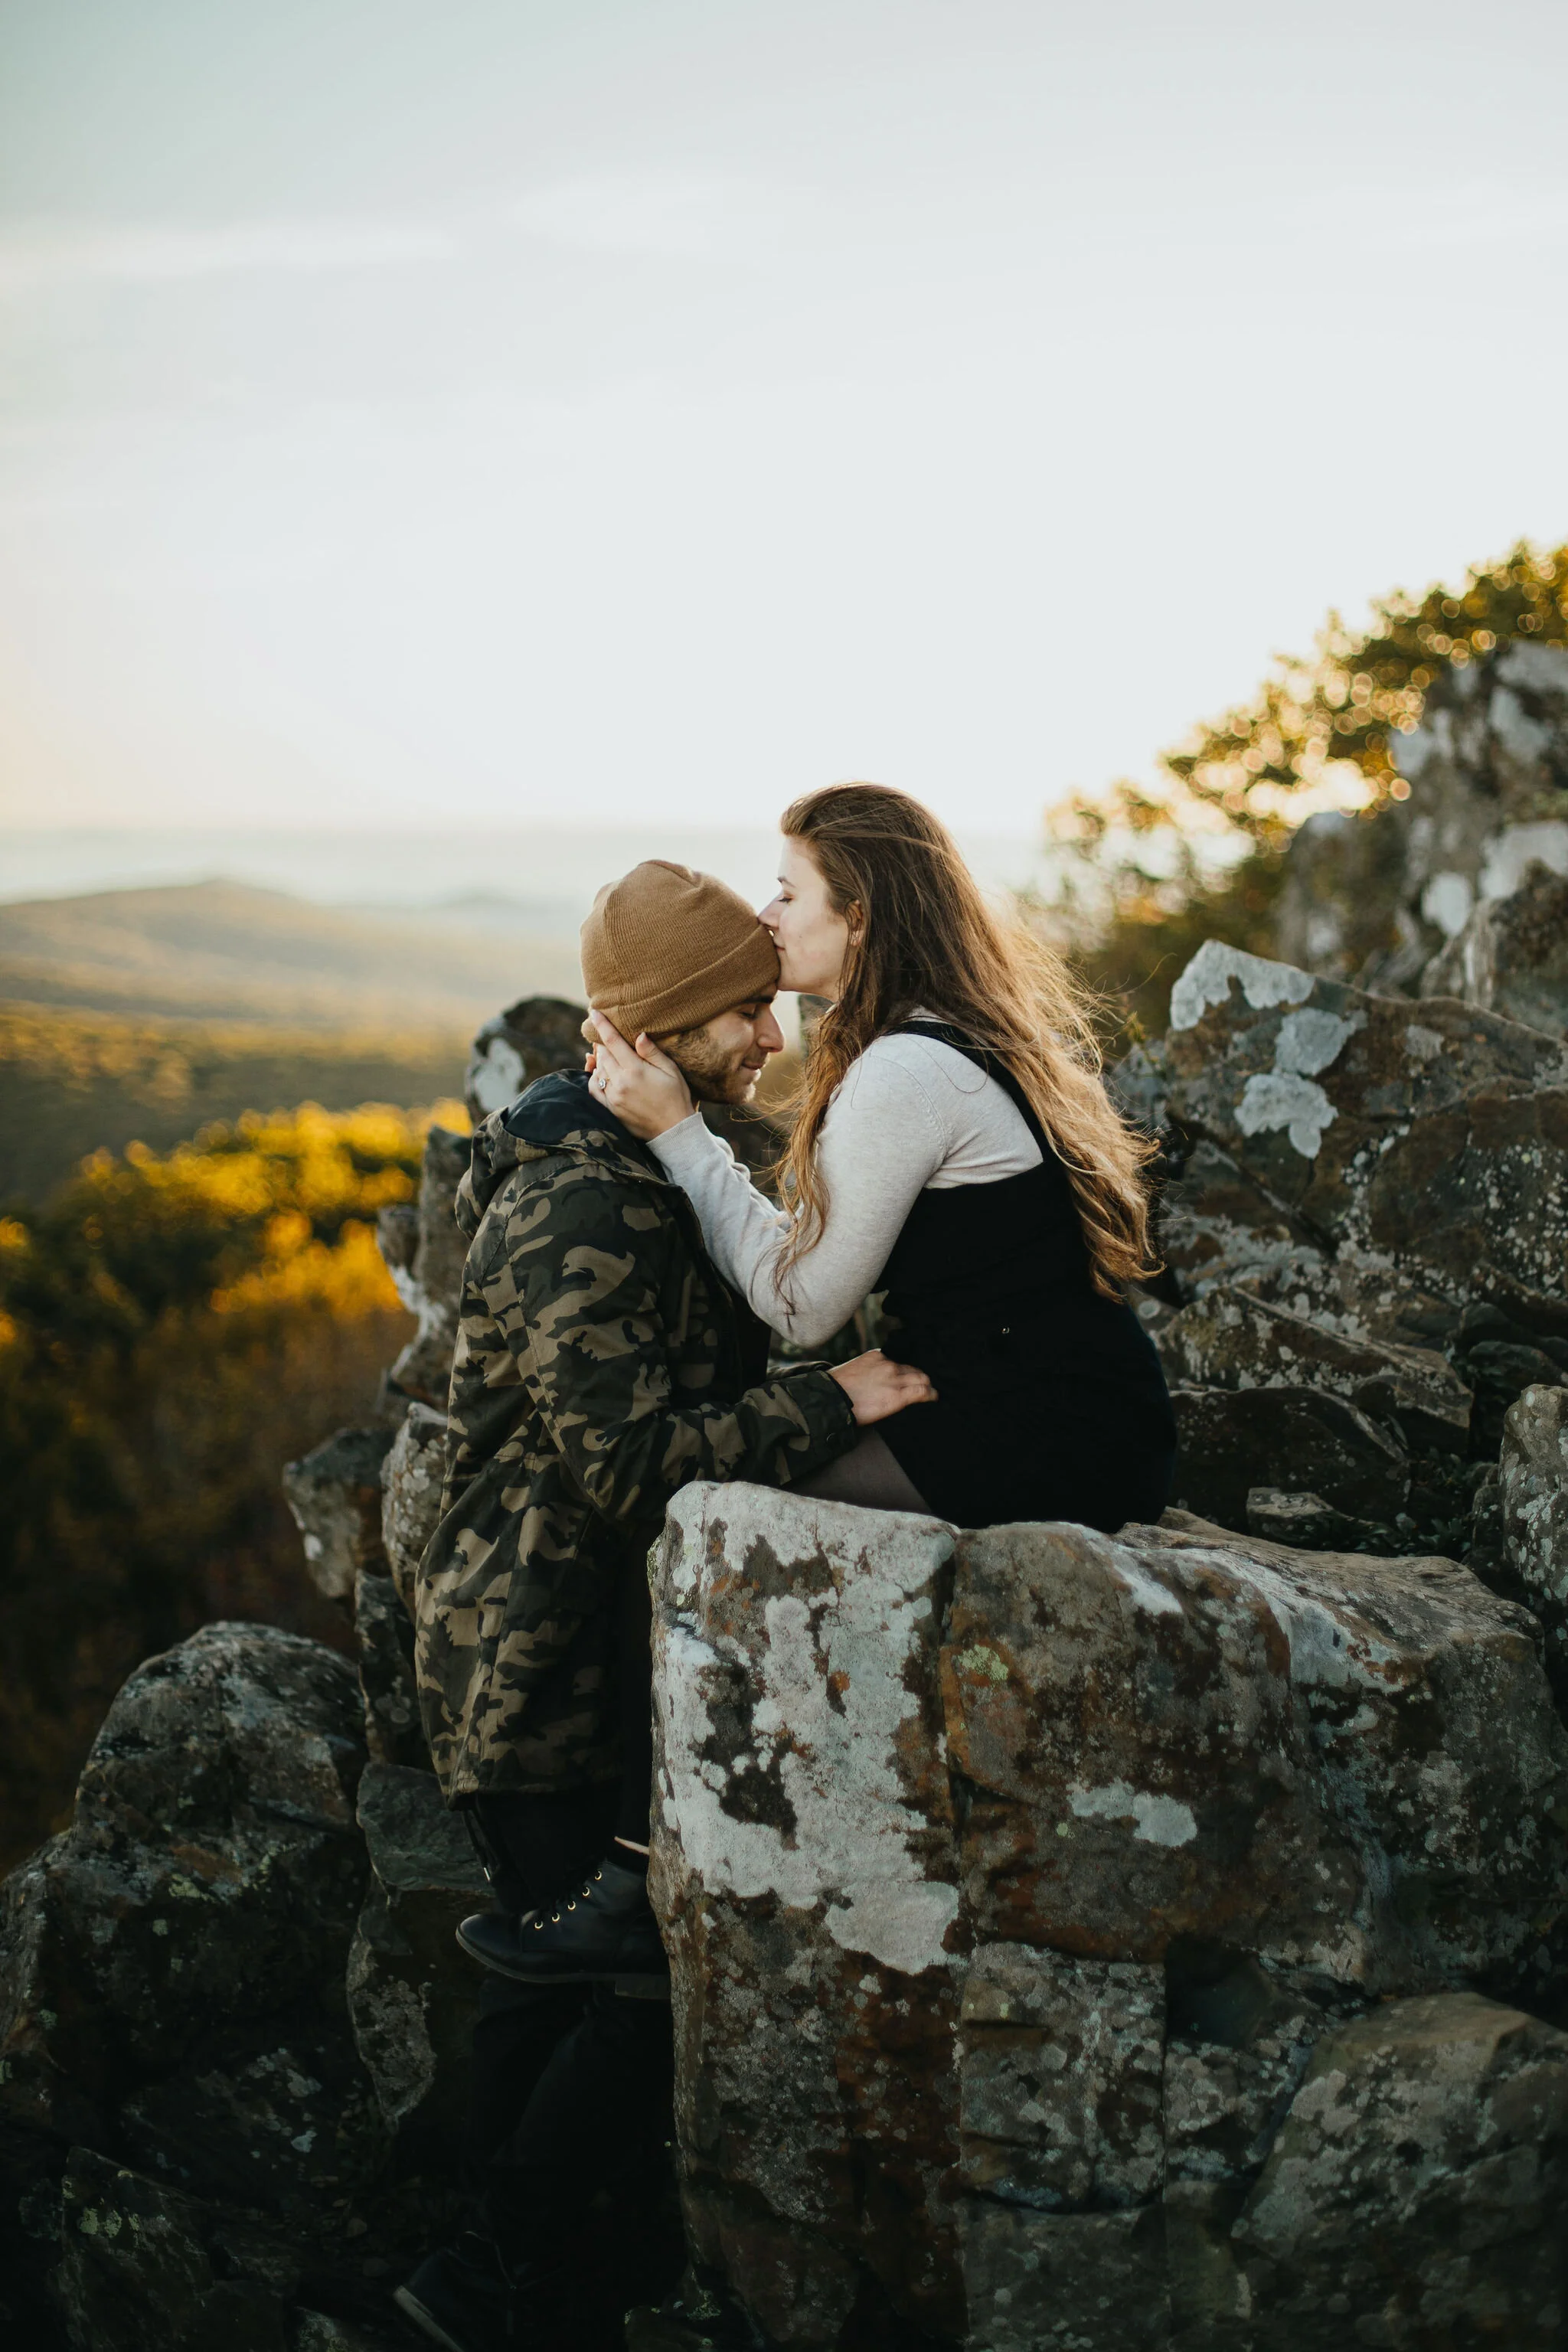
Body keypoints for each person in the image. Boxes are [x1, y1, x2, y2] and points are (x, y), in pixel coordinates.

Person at [395, 858, 932, 2352]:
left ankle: (493, 2284)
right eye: (742, 1010)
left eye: (770, 999)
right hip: (531, 1659)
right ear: (663, 1022)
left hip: (594, 1645)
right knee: (613, 1978)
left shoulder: (651, 1155)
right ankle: (492, 2282)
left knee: (557, 1988)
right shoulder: (578, 1195)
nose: (770, 1032)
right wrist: (826, 1403)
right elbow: (628, 1464)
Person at [589, 783, 1176, 1534]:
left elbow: (800, 1304)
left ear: (858, 917)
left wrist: (679, 1135)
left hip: (1043, 1435)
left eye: (787, 894)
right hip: (1071, 1411)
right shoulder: (941, 1033)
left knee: (692, 1507)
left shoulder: (905, 1071)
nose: (766, 916)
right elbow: (821, 1253)